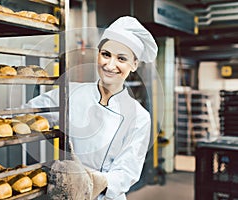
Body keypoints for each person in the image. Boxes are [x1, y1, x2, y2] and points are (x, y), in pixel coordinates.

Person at [22, 16, 158, 200]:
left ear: (134, 65)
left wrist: (96, 181)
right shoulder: (72, 93)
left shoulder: (139, 117)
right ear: (98, 54)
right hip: (67, 193)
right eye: (106, 54)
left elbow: (127, 173)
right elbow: (28, 114)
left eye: (121, 58)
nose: (110, 65)